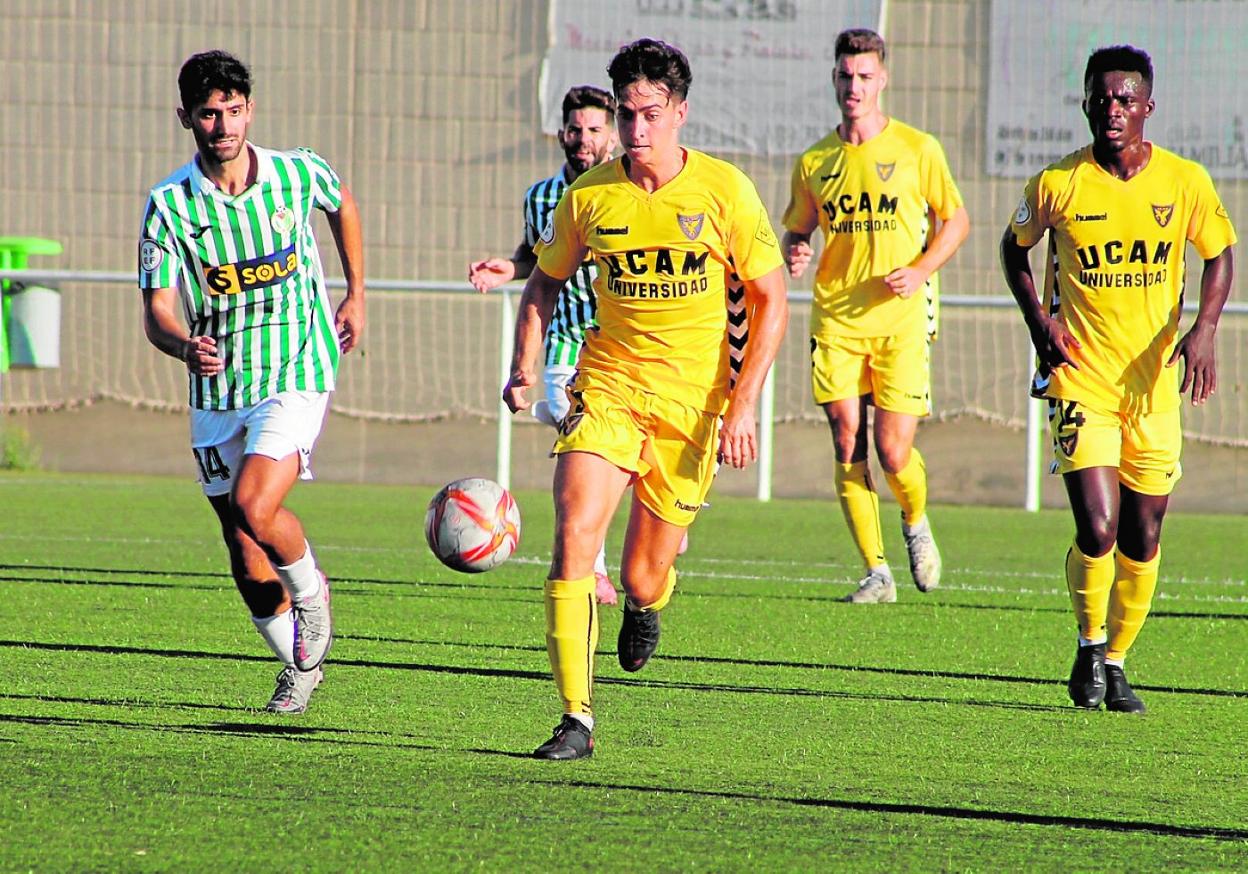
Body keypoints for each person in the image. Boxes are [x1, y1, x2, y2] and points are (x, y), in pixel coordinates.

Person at [504, 38, 788, 759]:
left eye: (650, 114)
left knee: (642, 570)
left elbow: (771, 297)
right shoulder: (591, 194)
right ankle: (576, 718)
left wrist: (744, 403)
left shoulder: (724, 191)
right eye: (626, 115)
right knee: (573, 534)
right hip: (608, 388)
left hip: (694, 407)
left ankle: (646, 601)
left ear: (680, 113)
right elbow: (544, 280)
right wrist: (524, 365)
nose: (637, 130)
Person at [1001, 45, 1234, 714]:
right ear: (1085, 105)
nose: (1113, 109)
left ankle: (1118, 660)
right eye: (1102, 99)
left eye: (1126, 99)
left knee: (1143, 537)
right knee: (1097, 527)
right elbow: (1012, 251)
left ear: (1147, 108)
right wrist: (1041, 325)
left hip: (1154, 389)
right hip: (1082, 383)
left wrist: (1207, 328)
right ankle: (1087, 640)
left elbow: (1220, 255)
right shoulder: (1057, 184)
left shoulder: (1184, 182)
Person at [138, 50, 365, 714]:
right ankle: (297, 666)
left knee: (255, 505)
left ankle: (314, 599)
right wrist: (184, 345)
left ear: (250, 111)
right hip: (218, 389)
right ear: (186, 118)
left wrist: (354, 292)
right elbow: (156, 311)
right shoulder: (169, 207)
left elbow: (342, 201)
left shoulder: (296, 172)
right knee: (240, 545)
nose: (223, 126)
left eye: (234, 111)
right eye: (209, 113)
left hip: (297, 365)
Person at [781, 29, 969, 603]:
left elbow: (955, 221)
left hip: (900, 319)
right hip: (837, 318)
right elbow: (797, 226)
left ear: (882, 78)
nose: (853, 86)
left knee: (892, 451)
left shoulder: (917, 148)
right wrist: (795, 248)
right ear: (833, 78)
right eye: (845, 76)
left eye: (864, 76)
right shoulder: (816, 160)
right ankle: (877, 571)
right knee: (845, 439)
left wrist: (919, 269)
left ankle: (915, 522)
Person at [468, 85, 620, 606]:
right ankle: (595, 570)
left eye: (594, 130)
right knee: (574, 426)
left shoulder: (627, 190)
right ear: (561, 132)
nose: (582, 139)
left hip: (622, 348)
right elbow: (537, 261)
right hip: (563, 347)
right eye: (574, 129)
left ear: (612, 135)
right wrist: (507, 268)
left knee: (625, 452)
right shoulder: (540, 197)